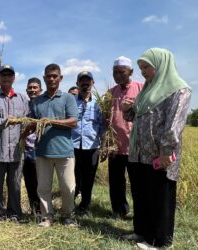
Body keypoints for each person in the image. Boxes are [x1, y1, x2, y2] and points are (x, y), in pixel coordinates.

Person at [122, 48, 191, 249]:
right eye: (141, 67)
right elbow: (135, 117)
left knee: (160, 197)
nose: (142, 71)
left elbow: (174, 125)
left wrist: (166, 152)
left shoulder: (179, 90)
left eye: (146, 67)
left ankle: (158, 241)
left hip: (160, 154)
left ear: (161, 64)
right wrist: (128, 110)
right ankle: (141, 232)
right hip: (139, 153)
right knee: (141, 193)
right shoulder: (147, 89)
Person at [31, 63, 78, 227]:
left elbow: (73, 122)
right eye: (48, 76)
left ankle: (68, 217)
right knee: (43, 188)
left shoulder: (68, 98)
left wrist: (51, 121)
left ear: (60, 78)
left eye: (54, 76)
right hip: (42, 151)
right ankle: (47, 217)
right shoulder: (37, 101)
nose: (51, 79)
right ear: (44, 78)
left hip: (64, 151)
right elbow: (32, 122)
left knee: (67, 187)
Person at [0, 64, 29, 221]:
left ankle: (15, 212)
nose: (6, 78)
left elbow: (26, 122)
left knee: (15, 184)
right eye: (3, 75)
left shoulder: (23, 98)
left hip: (16, 151)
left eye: (9, 75)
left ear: (13, 78)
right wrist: (8, 120)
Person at [108, 56, 143, 219]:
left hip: (135, 146)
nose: (118, 75)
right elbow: (105, 117)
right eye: (115, 72)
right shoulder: (111, 92)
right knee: (116, 181)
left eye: (121, 72)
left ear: (131, 72)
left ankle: (140, 213)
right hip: (115, 146)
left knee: (137, 182)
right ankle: (119, 210)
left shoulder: (142, 88)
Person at [72, 71, 104, 215]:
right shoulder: (71, 101)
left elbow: (103, 126)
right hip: (73, 145)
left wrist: (104, 145)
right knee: (73, 176)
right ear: (77, 83)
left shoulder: (99, 104)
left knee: (89, 177)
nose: (85, 83)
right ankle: (70, 204)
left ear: (93, 83)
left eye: (88, 81)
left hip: (92, 146)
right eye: (82, 81)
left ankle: (85, 205)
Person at [22, 77, 42, 215]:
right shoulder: (24, 106)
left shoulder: (44, 105)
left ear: (40, 90)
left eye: (35, 87)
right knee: (30, 181)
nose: (32, 90)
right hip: (26, 149)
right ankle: (35, 210)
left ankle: (45, 210)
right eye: (30, 88)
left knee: (43, 183)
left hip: (41, 149)